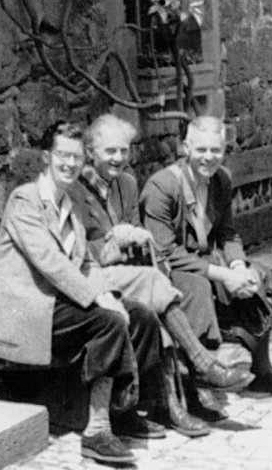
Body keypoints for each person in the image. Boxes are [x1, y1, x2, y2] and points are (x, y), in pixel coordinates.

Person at [0, 121, 164, 465]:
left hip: (61, 305)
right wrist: (99, 301)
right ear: (47, 157)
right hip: (30, 314)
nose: (69, 164)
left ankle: (122, 412)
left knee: (139, 315)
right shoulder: (25, 201)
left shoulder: (71, 205)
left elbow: (83, 264)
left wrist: (107, 292)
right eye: (63, 155)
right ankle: (96, 432)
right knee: (109, 322)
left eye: (76, 158)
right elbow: (51, 263)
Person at [69, 114, 253, 432]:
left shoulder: (126, 184)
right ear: (90, 152)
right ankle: (190, 381)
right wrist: (116, 242)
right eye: (109, 151)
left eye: (124, 151)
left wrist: (136, 241)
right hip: (95, 277)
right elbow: (80, 252)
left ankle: (181, 397)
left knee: (167, 289)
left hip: (131, 273)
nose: (118, 159)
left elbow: (143, 234)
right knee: (154, 291)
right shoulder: (74, 192)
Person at [140, 115, 272, 395]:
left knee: (259, 277)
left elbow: (227, 233)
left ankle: (262, 370)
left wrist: (239, 267)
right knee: (198, 287)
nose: (208, 157)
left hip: (208, 263)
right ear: (185, 148)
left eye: (215, 150)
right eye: (201, 150)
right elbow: (165, 251)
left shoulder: (220, 180)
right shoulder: (162, 186)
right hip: (171, 270)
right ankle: (198, 383)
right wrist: (223, 274)